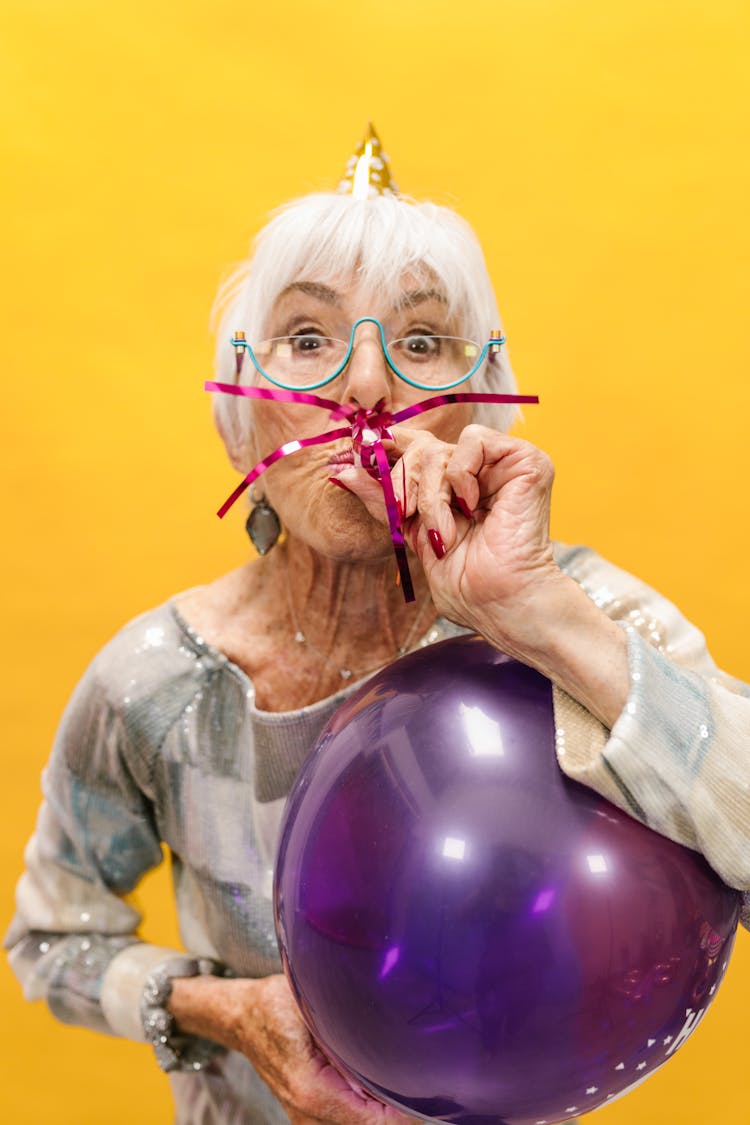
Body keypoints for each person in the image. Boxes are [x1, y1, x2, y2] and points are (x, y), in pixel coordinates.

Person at [6, 126, 750, 1125]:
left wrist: (537, 620)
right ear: (248, 407)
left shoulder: (578, 619)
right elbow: (53, 942)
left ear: (475, 402)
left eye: (423, 341)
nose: (366, 387)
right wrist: (230, 1013)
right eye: (309, 339)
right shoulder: (159, 682)